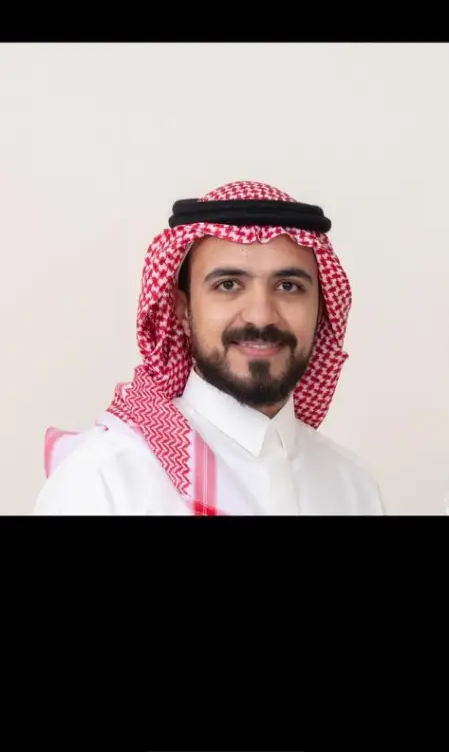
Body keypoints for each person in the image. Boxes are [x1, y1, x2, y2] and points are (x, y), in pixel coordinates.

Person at [33, 179, 384, 515]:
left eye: (288, 286)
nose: (261, 316)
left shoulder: (353, 487)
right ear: (182, 310)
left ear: (321, 310)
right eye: (228, 285)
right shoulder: (105, 484)